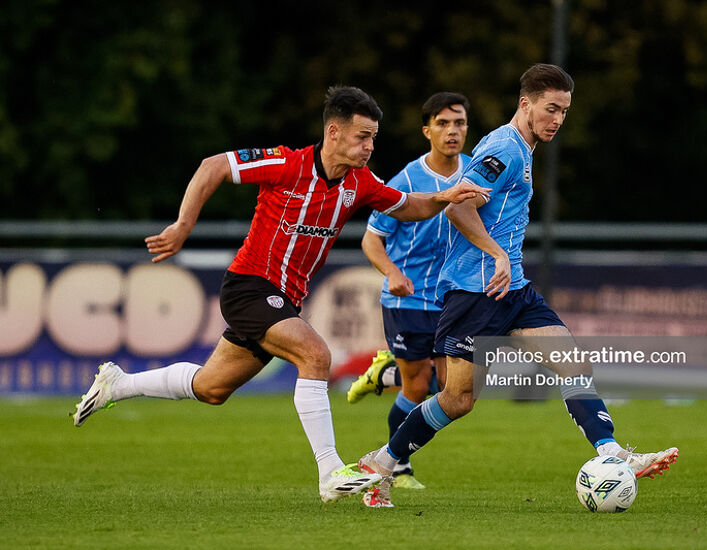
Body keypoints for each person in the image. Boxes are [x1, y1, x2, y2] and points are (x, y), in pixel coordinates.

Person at [70, 86, 491, 503]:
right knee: (316, 355)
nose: (369, 147)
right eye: (362, 137)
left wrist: (443, 197)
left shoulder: (360, 183)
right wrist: (182, 225)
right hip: (249, 286)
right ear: (334, 133)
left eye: (373, 138)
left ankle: (119, 385)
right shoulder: (287, 164)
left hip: (284, 299)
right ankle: (330, 472)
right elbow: (212, 165)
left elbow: (407, 207)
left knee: (211, 388)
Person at [357, 64, 679, 508]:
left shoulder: (524, 148)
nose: (557, 120)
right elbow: (457, 209)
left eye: (564, 111)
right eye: (551, 109)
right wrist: (497, 253)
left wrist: (505, 262)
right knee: (457, 399)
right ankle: (381, 464)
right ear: (525, 103)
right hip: (475, 293)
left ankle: (613, 453)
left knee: (573, 364)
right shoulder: (503, 148)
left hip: (513, 291)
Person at [347, 92, 471, 495]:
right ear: (427, 130)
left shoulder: (476, 174)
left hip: (454, 298)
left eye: (460, 123)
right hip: (409, 299)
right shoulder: (406, 180)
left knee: (456, 391)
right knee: (418, 387)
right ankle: (396, 465)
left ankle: (386, 373)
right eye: (443, 123)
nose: (452, 131)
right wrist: (392, 272)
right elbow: (371, 240)